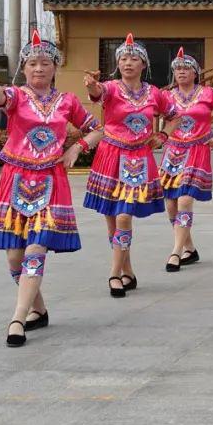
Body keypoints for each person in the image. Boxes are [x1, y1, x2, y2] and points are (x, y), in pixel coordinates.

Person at [0, 31, 102, 347]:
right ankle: (37, 308)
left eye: (45, 63)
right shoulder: (17, 96)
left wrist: (77, 148)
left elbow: (98, 128)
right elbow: (1, 97)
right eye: (32, 64)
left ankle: (17, 319)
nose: (39, 69)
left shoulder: (67, 102)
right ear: (24, 69)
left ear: (55, 68)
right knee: (15, 257)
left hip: (52, 181)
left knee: (36, 249)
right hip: (15, 179)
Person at [83, 33, 176, 298]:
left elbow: (174, 116)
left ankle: (113, 274)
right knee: (112, 220)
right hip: (110, 155)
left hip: (138, 158)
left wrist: (162, 136)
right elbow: (97, 93)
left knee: (124, 215)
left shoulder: (155, 93)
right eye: (123, 58)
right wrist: (91, 84)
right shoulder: (111, 88)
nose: (128, 63)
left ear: (143, 64)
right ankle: (128, 271)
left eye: (134, 58)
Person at [159, 48, 213, 273]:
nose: (181, 72)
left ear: (196, 73)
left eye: (186, 68)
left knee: (185, 199)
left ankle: (175, 252)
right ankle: (189, 248)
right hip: (172, 152)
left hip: (197, 150)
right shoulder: (166, 96)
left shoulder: (207, 93)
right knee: (171, 204)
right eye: (177, 69)